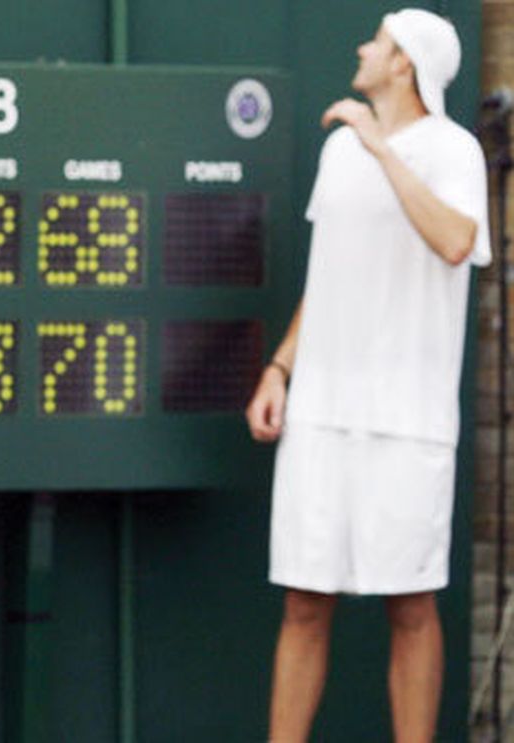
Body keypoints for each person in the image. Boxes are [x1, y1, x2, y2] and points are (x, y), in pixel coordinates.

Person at [245, 9, 489, 742]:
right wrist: (281, 367)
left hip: (408, 421)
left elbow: (455, 241)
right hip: (320, 413)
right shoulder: (340, 153)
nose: (361, 48)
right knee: (303, 604)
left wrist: (381, 147)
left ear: (404, 64)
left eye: (377, 42)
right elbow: (331, 276)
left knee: (411, 606)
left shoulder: (454, 150)